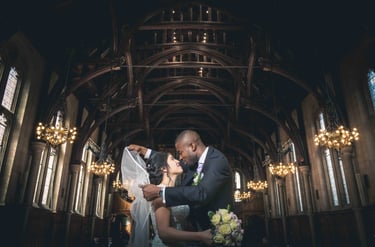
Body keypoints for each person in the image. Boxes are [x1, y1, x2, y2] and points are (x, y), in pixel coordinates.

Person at [128, 129, 234, 236]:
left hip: (218, 230)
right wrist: (145, 151)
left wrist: (160, 191)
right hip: (202, 233)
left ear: (192, 146)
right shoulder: (194, 163)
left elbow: (202, 193)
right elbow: (166, 162)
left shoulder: (216, 161)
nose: (180, 158)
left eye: (180, 152)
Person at [121, 147, 212, 247]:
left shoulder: (175, 191)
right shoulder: (158, 193)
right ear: (164, 168)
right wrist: (200, 236)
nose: (178, 161)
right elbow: (164, 232)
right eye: (172, 159)